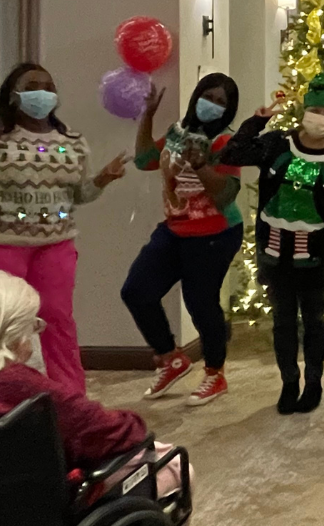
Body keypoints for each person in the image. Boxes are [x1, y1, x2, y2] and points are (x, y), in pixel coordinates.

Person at [0, 63, 127, 395]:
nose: (42, 93)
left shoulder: (71, 141)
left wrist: (102, 179)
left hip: (55, 244)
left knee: (58, 321)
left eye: (48, 86)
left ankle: (69, 397)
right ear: (13, 95)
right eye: (32, 86)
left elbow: (79, 195)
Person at [0, 270, 184, 496]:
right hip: (35, 510)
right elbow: (123, 434)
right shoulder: (29, 391)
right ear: (14, 336)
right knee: (172, 463)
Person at [220, 74, 324, 414]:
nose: (321, 117)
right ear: (305, 111)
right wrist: (256, 122)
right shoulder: (277, 144)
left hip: (315, 257)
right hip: (275, 255)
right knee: (284, 322)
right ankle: (289, 381)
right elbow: (231, 153)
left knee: (315, 321)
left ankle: (314, 382)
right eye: (315, 109)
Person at [120, 74, 244, 407]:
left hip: (216, 232)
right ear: (196, 96)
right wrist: (147, 116)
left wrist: (201, 164)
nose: (213, 105)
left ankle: (215, 374)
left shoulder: (224, 142)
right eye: (209, 96)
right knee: (136, 290)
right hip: (175, 227)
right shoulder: (178, 132)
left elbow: (228, 193)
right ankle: (170, 357)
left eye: (221, 102)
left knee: (200, 303)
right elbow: (146, 161)